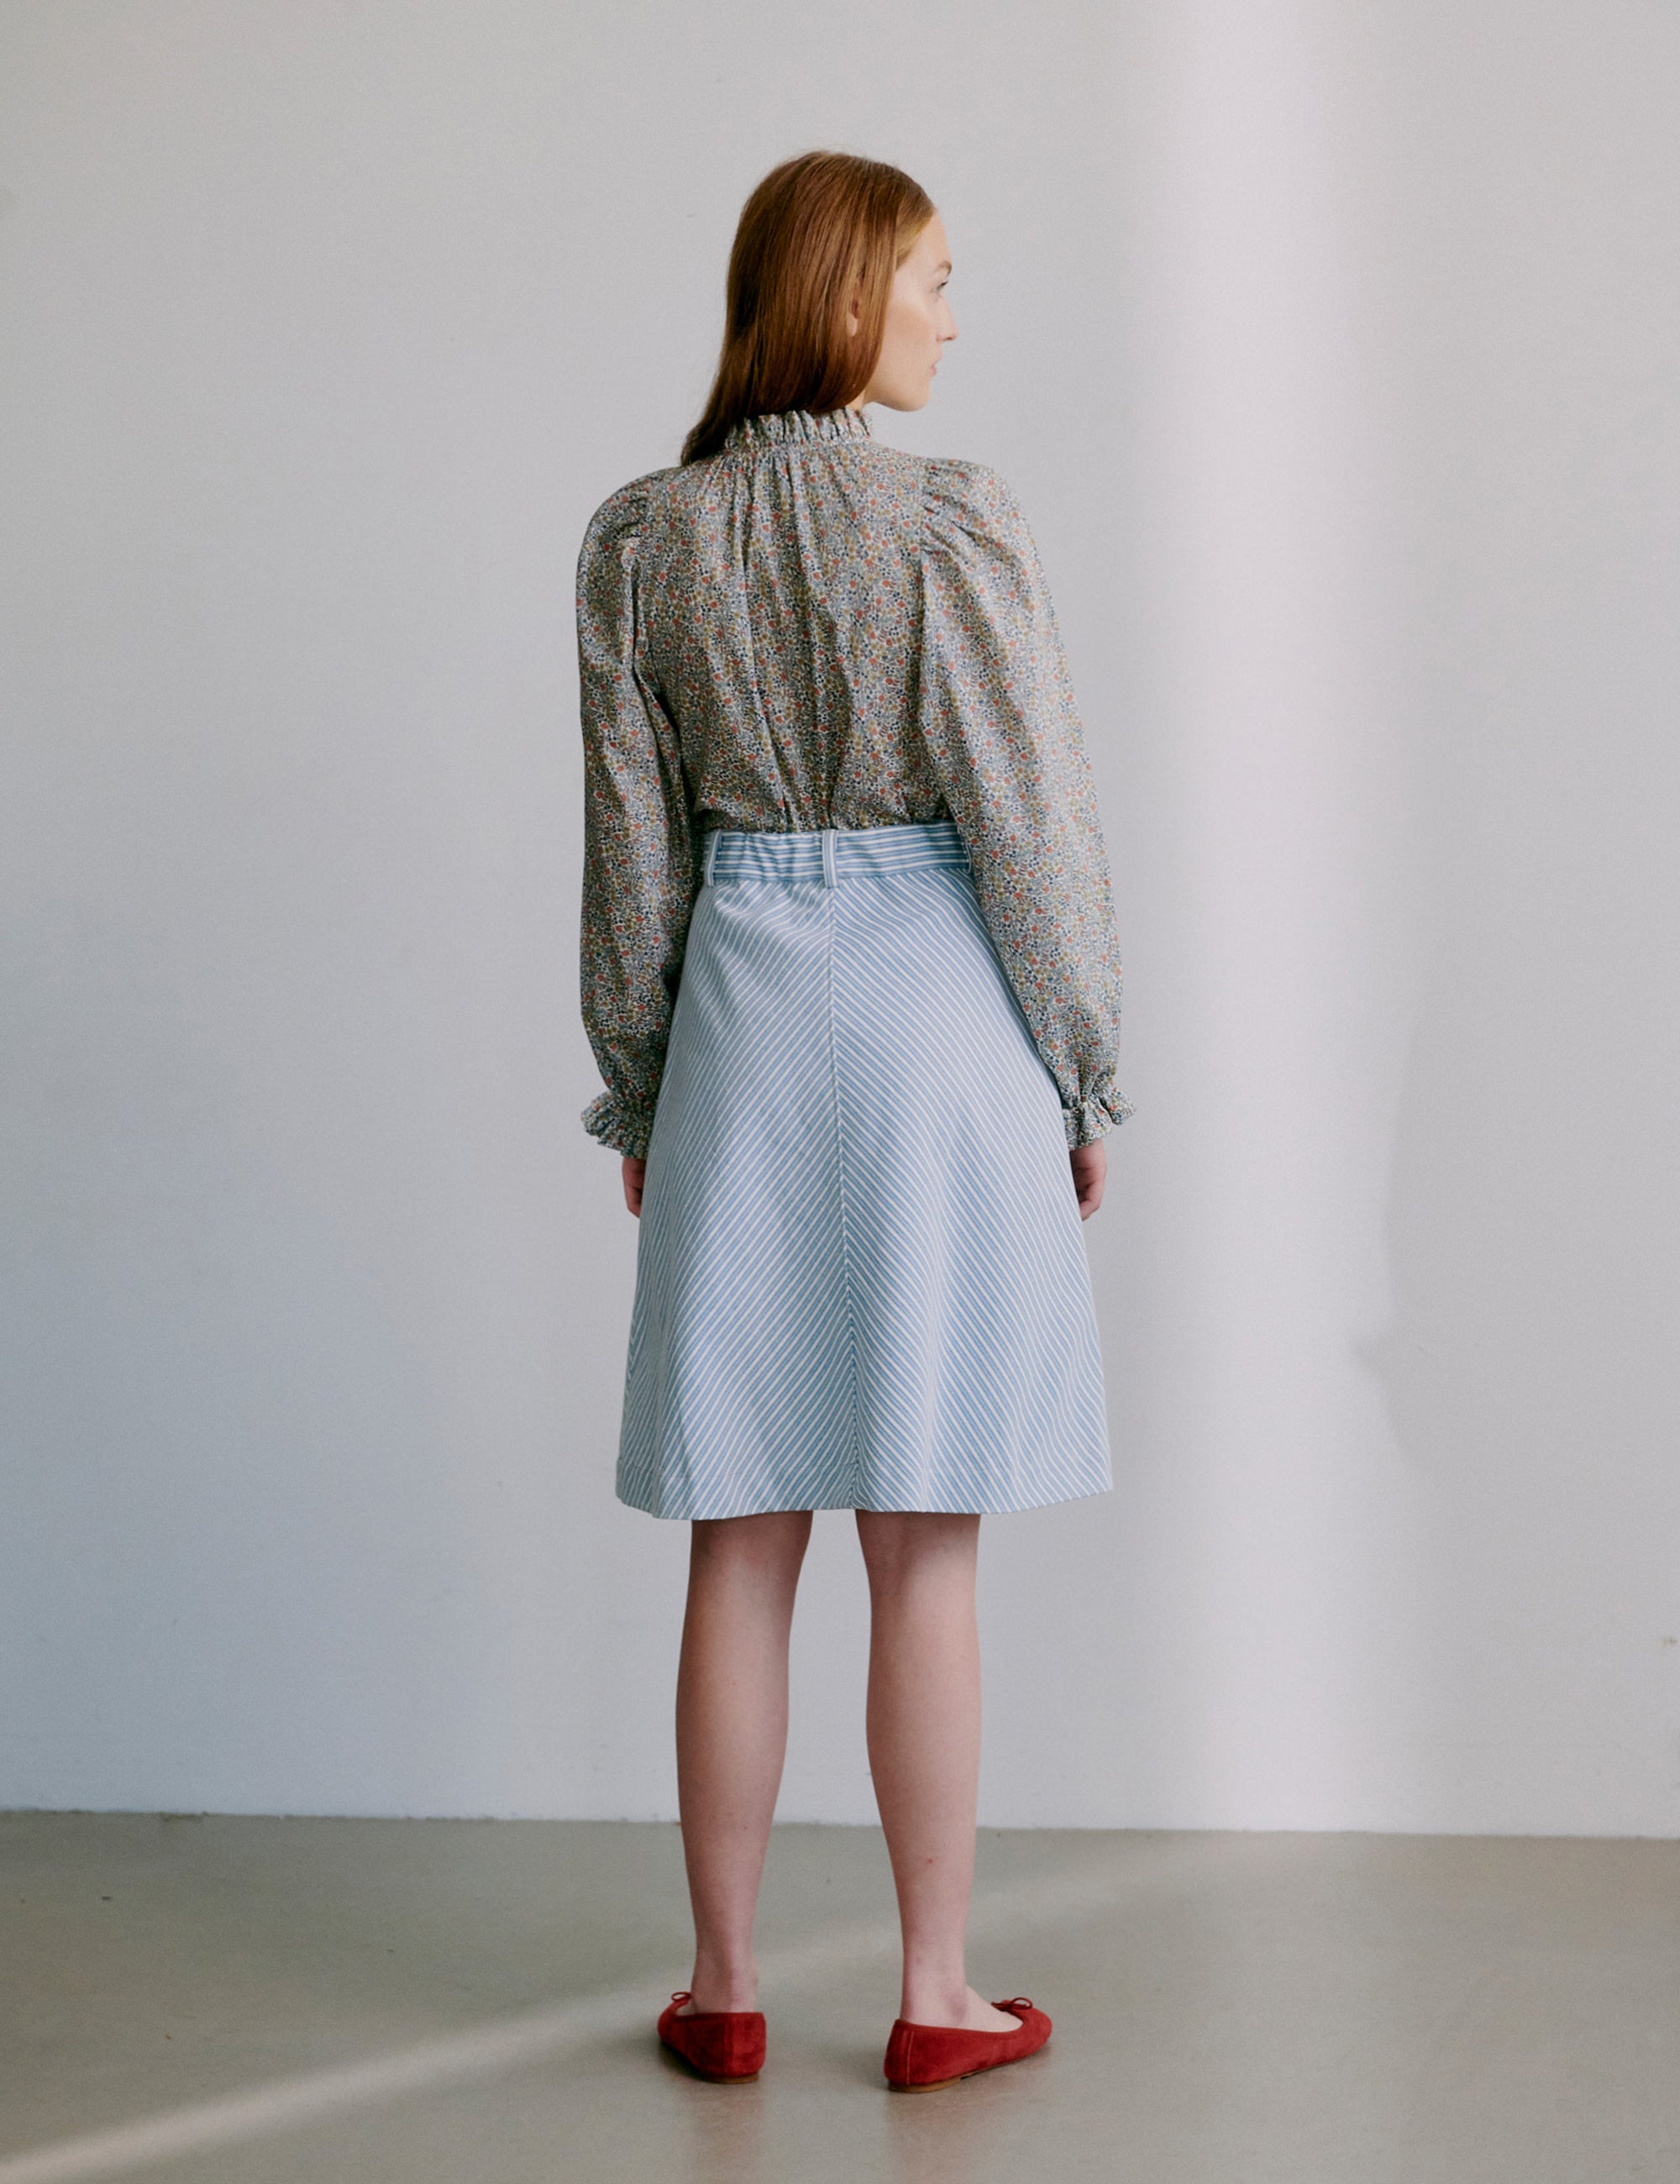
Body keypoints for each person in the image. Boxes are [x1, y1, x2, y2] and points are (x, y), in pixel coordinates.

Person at [575, 149, 1129, 2094]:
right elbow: (1029, 825)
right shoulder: (951, 524)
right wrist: (1082, 1063)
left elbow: (631, 861)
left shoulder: (641, 541)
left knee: (738, 1535)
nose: (955, 318)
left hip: (738, 1013)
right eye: (937, 281)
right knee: (924, 1541)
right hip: (926, 1025)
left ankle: (720, 1988)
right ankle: (933, 1988)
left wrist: (638, 1083)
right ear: (845, 301)